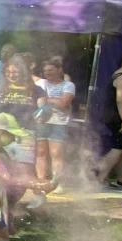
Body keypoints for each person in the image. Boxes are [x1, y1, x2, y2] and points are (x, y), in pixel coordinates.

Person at [0, 54, 47, 208]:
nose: (11, 76)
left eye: (15, 72)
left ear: (24, 72)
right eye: (8, 72)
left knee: (23, 174)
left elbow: (44, 109)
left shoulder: (36, 90)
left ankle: (9, 206)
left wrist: (44, 113)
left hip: (23, 135)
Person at [96, 52, 122, 186]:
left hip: (116, 116)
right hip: (120, 117)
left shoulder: (117, 75)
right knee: (119, 147)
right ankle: (98, 176)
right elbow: (121, 100)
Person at [34, 58, 74, 192]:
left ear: (59, 70)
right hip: (41, 121)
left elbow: (64, 103)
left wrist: (45, 100)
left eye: (51, 70)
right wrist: (54, 101)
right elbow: (37, 100)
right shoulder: (41, 82)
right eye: (45, 70)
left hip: (59, 122)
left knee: (56, 153)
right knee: (40, 152)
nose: (47, 73)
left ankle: (57, 183)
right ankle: (41, 182)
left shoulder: (68, 85)